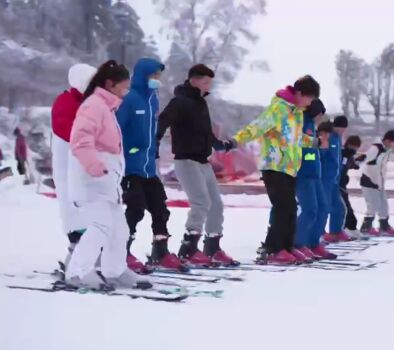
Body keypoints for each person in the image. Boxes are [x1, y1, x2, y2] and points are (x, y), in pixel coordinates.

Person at [66, 60, 150, 290]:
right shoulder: (93, 105)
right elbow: (80, 141)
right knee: (101, 226)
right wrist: (96, 168)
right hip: (91, 181)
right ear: (110, 84)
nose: (126, 91)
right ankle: (77, 273)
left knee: (119, 230)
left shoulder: (106, 107)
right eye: (124, 86)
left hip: (107, 182)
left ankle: (115, 270)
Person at [157, 64, 238, 267]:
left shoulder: (200, 103)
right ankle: (188, 248)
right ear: (193, 80)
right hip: (186, 160)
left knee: (216, 205)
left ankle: (212, 246)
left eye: (210, 82)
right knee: (201, 203)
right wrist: (154, 144)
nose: (207, 86)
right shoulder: (180, 102)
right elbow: (162, 121)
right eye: (205, 81)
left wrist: (221, 145)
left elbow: (206, 133)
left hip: (203, 161)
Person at [233, 75, 319, 265]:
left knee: (290, 208)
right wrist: (236, 139)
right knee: (283, 207)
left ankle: (286, 248)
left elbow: (293, 137)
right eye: (309, 98)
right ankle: (273, 249)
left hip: (289, 167)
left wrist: (311, 141)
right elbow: (259, 126)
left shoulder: (296, 112)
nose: (310, 103)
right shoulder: (279, 108)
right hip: (274, 165)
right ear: (299, 93)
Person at [116, 58, 180, 272]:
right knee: (135, 209)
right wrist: (129, 149)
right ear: (143, 76)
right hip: (130, 167)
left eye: (158, 77)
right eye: (153, 76)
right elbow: (115, 130)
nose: (156, 80)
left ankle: (160, 251)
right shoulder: (129, 100)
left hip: (149, 168)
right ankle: (120, 251)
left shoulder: (152, 100)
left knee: (160, 208)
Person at [51, 63, 97, 265]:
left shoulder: (89, 102)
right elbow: (67, 131)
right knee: (75, 211)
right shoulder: (66, 101)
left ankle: (87, 257)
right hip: (68, 167)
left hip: (85, 167)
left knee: (91, 212)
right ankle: (76, 257)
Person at [292, 99, 337, 261]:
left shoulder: (311, 124)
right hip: (304, 173)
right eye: (320, 114)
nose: (321, 118)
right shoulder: (301, 122)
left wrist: (316, 154)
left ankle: (313, 243)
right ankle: (297, 243)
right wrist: (315, 153)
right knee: (310, 210)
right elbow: (303, 150)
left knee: (323, 208)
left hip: (314, 173)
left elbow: (311, 150)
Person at [359, 130, 394, 237]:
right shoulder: (376, 148)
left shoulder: (387, 150)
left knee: (383, 205)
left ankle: (384, 226)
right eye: (392, 142)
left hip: (379, 181)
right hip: (368, 180)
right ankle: (366, 227)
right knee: (373, 204)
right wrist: (356, 161)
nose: (393, 145)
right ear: (387, 140)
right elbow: (366, 157)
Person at [320, 115, 350, 243]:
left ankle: (335, 231)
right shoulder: (329, 136)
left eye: (344, 129)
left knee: (339, 207)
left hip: (334, 179)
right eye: (340, 128)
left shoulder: (338, 139)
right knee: (324, 206)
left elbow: (337, 158)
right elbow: (321, 155)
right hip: (325, 177)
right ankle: (319, 232)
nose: (342, 131)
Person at [340, 135, 365, 237]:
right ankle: (349, 227)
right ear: (349, 144)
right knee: (345, 207)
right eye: (354, 146)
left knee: (345, 207)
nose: (355, 149)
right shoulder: (343, 153)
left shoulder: (349, 154)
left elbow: (350, 165)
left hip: (342, 184)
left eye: (357, 147)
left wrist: (358, 161)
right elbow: (341, 167)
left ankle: (350, 227)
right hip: (337, 184)